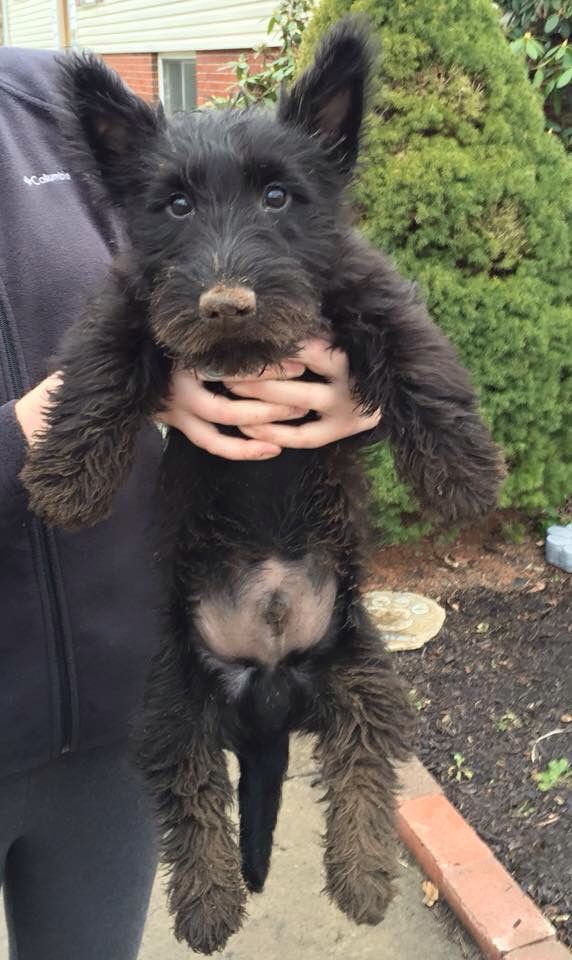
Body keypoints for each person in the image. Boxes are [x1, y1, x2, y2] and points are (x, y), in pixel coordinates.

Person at [0, 47, 381, 960]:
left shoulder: (53, 98)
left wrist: (355, 390)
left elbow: (253, 264)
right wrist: (48, 425)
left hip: (123, 709)